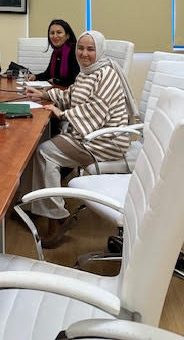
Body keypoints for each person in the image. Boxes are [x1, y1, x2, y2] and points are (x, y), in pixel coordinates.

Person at [24, 30, 138, 248]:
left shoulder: (106, 74)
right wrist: (45, 94)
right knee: (41, 148)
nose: (84, 53)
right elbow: (71, 95)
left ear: (100, 51)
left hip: (107, 140)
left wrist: (62, 114)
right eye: (81, 48)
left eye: (90, 49)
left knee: (45, 153)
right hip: (92, 135)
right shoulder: (86, 72)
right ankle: (36, 206)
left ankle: (57, 217)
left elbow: (96, 109)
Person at [27, 19, 79, 87]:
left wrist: (55, 81)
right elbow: (48, 74)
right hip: (58, 89)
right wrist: (35, 77)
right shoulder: (56, 52)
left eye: (59, 32)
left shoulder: (75, 51)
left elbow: (75, 80)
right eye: (52, 33)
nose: (55, 36)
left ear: (67, 35)